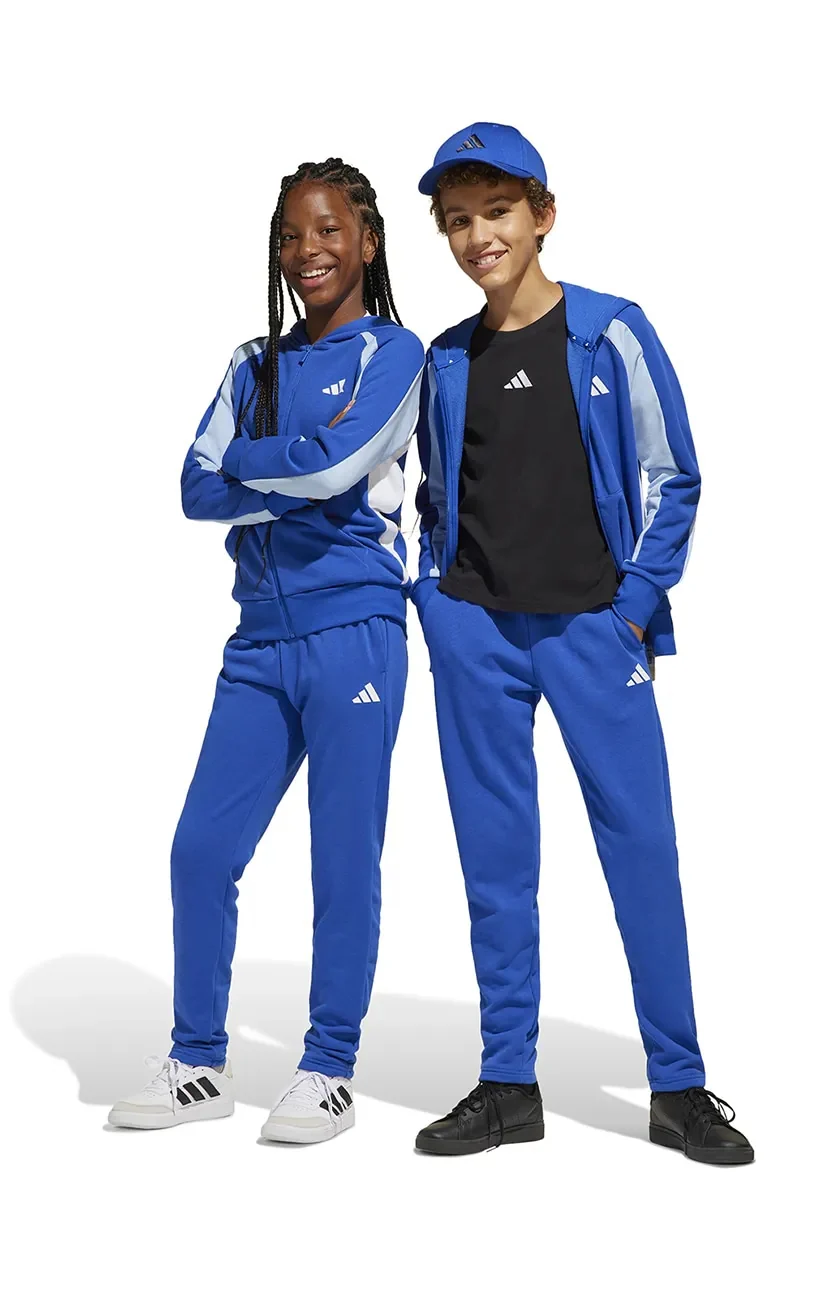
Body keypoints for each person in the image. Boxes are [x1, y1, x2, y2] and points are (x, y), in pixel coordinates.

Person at [410, 123, 754, 1164]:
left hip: (593, 631)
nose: (479, 236)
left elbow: (674, 475)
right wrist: (434, 598)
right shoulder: (445, 357)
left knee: (641, 849)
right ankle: (506, 1083)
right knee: (494, 863)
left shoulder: (609, 332)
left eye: (497, 212)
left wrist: (632, 607)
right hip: (475, 631)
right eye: (458, 221)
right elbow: (432, 491)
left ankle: (678, 1085)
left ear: (543, 215)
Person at [108, 159, 423, 1144]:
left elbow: (337, 467)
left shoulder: (394, 354)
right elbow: (193, 488)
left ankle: (328, 1070)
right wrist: (289, 468)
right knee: (200, 851)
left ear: (366, 241)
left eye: (326, 230)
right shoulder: (254, 364)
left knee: (343, 860)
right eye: (289, 235)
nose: (305, 251)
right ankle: (197, 1061)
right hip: (258, 639)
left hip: (356, 633)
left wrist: (263, 464)